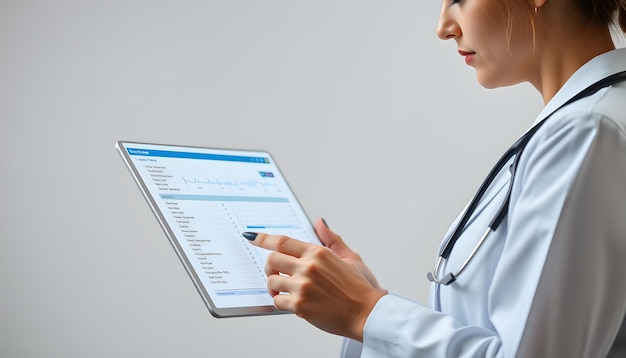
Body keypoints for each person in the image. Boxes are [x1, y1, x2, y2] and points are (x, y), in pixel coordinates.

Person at [242, 0, 626, 355]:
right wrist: (362, 300)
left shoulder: (587, 132)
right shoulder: (579, 124)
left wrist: (364, 311)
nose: (443, 27)